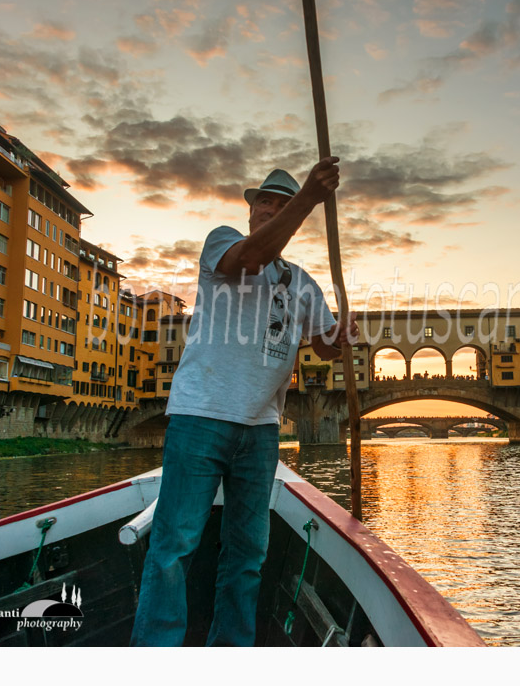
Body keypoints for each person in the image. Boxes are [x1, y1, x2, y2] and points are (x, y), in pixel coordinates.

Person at [130, 157, 356, 647]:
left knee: (248, 554)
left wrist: (341, 337)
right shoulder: (223, 243)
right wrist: (308, 199)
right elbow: (251, 258)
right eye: (265, 203)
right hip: (200, 417)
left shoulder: (302, 281)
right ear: (252, 211)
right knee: (173, 549)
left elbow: (323, 347)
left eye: (280, 203)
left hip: (261, 427)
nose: (269, 211)